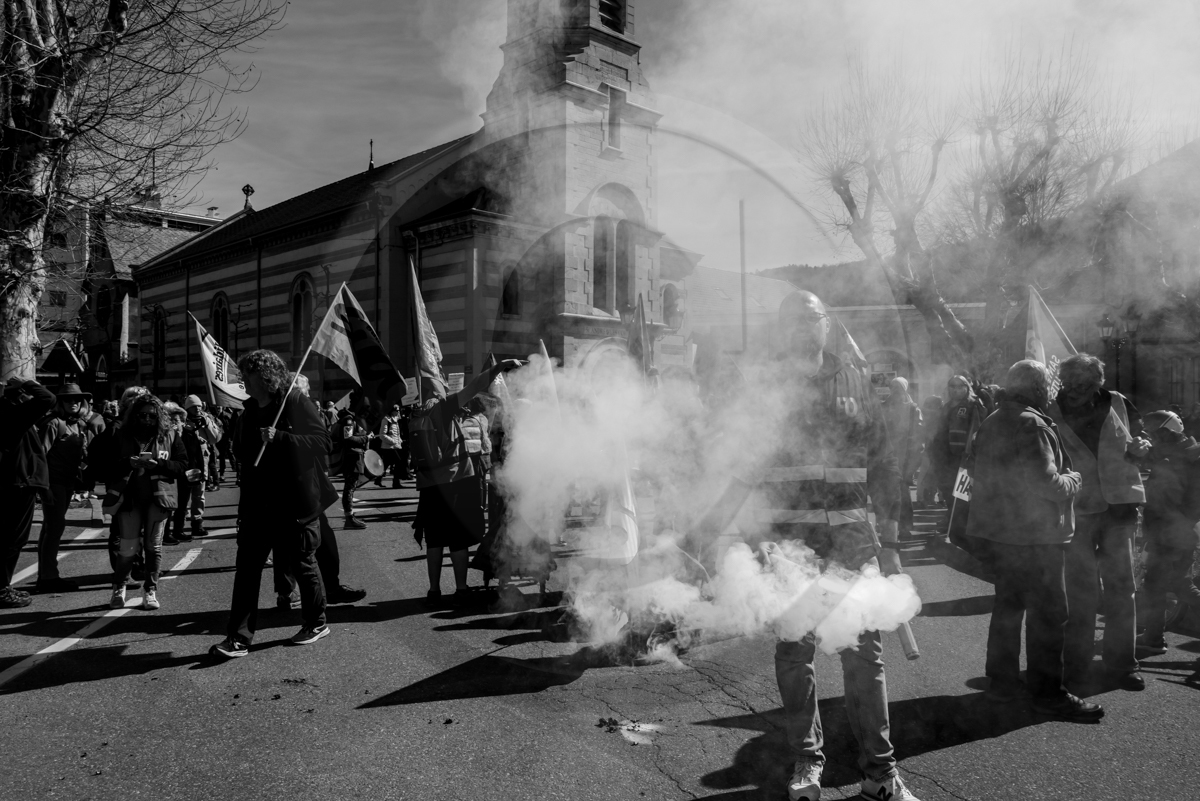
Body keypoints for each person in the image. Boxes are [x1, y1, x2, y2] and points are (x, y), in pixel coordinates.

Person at [749, 290, 918, 801]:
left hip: (851, 543)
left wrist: (889, 539)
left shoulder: (857, 380)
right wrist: (753, 542)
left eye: (811, 317)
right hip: (790, 543)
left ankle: (880, 774)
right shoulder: (763, 385)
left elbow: (885, 463)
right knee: (795, 654)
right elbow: (742, 462)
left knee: (864, 655)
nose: (802, 326)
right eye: (792, 318)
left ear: (826, 324)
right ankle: (807, 761)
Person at [967, 360, 1101, 720]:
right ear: (1040, 387)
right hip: (1036, 537)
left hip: (1002, 535)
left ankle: (1002, 686)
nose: (1055, 389)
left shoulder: (993, 420)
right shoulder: (1032, 423)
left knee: (1008, 611)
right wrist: (1074, 480)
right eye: (1051, 383)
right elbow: (1046, 483)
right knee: (1048, 616)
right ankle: (1048, 695)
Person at [210, 349, 333, 658]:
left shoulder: (294, 402)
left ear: (265, 377)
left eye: (247, 376)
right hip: (257, 505)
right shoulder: (248, 410)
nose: (242, 382)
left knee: (303, 563)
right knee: (247, 569)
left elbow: (322, 442)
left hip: (294, 502)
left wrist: (281, 437)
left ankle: (316, 622)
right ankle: (238, 638)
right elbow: (242, 455)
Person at [1049, 353, 1149, 692]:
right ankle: (1076, 666)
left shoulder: (1118, 402)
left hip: (1119, 507)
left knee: (1122, 588)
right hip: (1076, 510)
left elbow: (1140, 439)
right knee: (1080, 593)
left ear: (1097, 382)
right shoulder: (1051, 409)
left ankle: (1122, 664)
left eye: (1084, 384)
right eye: (1071, 383)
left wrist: (1141, 446)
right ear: (1063, 381)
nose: (1076, 390)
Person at [411, 360, 521, 609]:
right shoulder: (442, 408)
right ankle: (461, 589)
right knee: (457, 540)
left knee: (435, 539)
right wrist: (498, 367)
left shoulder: (419, 411)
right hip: (454, 484)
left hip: (429, 486)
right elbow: (476, 386)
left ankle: (434, 591)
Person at [272, 373, 367, 608]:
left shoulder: (297, 410)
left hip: (309, 484)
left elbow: (320, 442)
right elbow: (321, 442)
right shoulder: (279, 411)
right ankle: (295, 595)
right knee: (291, 543)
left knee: (319, 540)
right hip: (293, 487)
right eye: (304, 390)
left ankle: (327, 588)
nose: (308, 395)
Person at [101, 395, 188, 611]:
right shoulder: (121, 435)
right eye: (142, 415)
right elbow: (105, 465)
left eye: (152, 415)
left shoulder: (170, 435)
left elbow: (182, 465)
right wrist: (126, 463)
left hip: (159, 499)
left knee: (153, 546)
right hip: (129, 499)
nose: (147, 419)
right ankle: (119, 586)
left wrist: (158, 465)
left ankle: (150, 590)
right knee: (128, 547)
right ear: (134, 415)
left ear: (159, 416)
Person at [1137, 410, 1200, 655]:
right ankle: (1153, 636)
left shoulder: (1181, 459)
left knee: (1160, 585)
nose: (1151, 439)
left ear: (1167, 432)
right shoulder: (1181, 453)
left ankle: (1153, 638)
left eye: (1155, 433)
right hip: (1174, 531)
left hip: (1172, 533)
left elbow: (1183, 500)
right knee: (1175, 584)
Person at [0, 379, 56, 608]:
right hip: (17, 486)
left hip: (19, 483)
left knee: (11, 539)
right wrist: (25, 382)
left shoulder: (12, 414)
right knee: (12, 540)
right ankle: (1, 589)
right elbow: (48, 398)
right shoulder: (12, 414)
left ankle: (3, 586)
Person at [36, 383, 95, 592]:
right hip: (54, 482)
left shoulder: (78, 424)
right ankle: (48, 578)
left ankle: (46, 575)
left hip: (68, 483)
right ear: (60, 402)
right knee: (54, 528)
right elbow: (40, 456)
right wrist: (44, 487)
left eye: (78, 399)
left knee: (52, 528)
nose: (74, 403)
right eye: (69, 399)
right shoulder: (54, 424)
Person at [930, 376, 986, 514]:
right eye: (952, 386)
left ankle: (961, 527)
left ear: (967, 387)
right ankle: (953, 522)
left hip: (963, 460)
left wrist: (970, 456)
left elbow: (977, 431)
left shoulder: (973, 405)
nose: (956, 390)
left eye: (960, 386)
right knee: (948, 492)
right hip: (945, 459)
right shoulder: (945, 406)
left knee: (963, 497)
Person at [881, 376, 923, 538]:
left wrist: (913, 462)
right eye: (893, 387)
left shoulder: (913, 409)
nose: (896, 391)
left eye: (899, 388)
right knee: (885, 494)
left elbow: (919, 436)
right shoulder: (883, 407)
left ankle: (905, 527)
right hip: (886, 459)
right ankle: (887, 528)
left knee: (903, 495)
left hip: (904, 460)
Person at [334, 408, 368, 529]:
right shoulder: (348, 420)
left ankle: (350, 517)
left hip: (353, 457)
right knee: (350, 487)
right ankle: (349, 519)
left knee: (351, 487)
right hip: (351, 458)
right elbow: (348, 438)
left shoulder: (351, 419)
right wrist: (366, 438)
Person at [915, 395, 943, 508]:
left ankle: (924, 498)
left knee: (926, 474)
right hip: (934, 450)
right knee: (929, 474)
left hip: (930, 449)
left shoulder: (926, 414)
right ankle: (925, 498)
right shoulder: (936, 416)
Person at [376, 404, 405, 488]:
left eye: (399, 410)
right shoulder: (386, 420)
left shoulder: (396, 420)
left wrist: (399, 440)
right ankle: (396, 482)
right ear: (391, 411)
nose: (398, 412)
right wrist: (393, 441)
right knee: (399, 462)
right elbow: (382, 435)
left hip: (395, 446)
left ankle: (378, 479)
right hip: (388, 447)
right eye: (396, 410)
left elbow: (397, 433)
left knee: (386, 463)